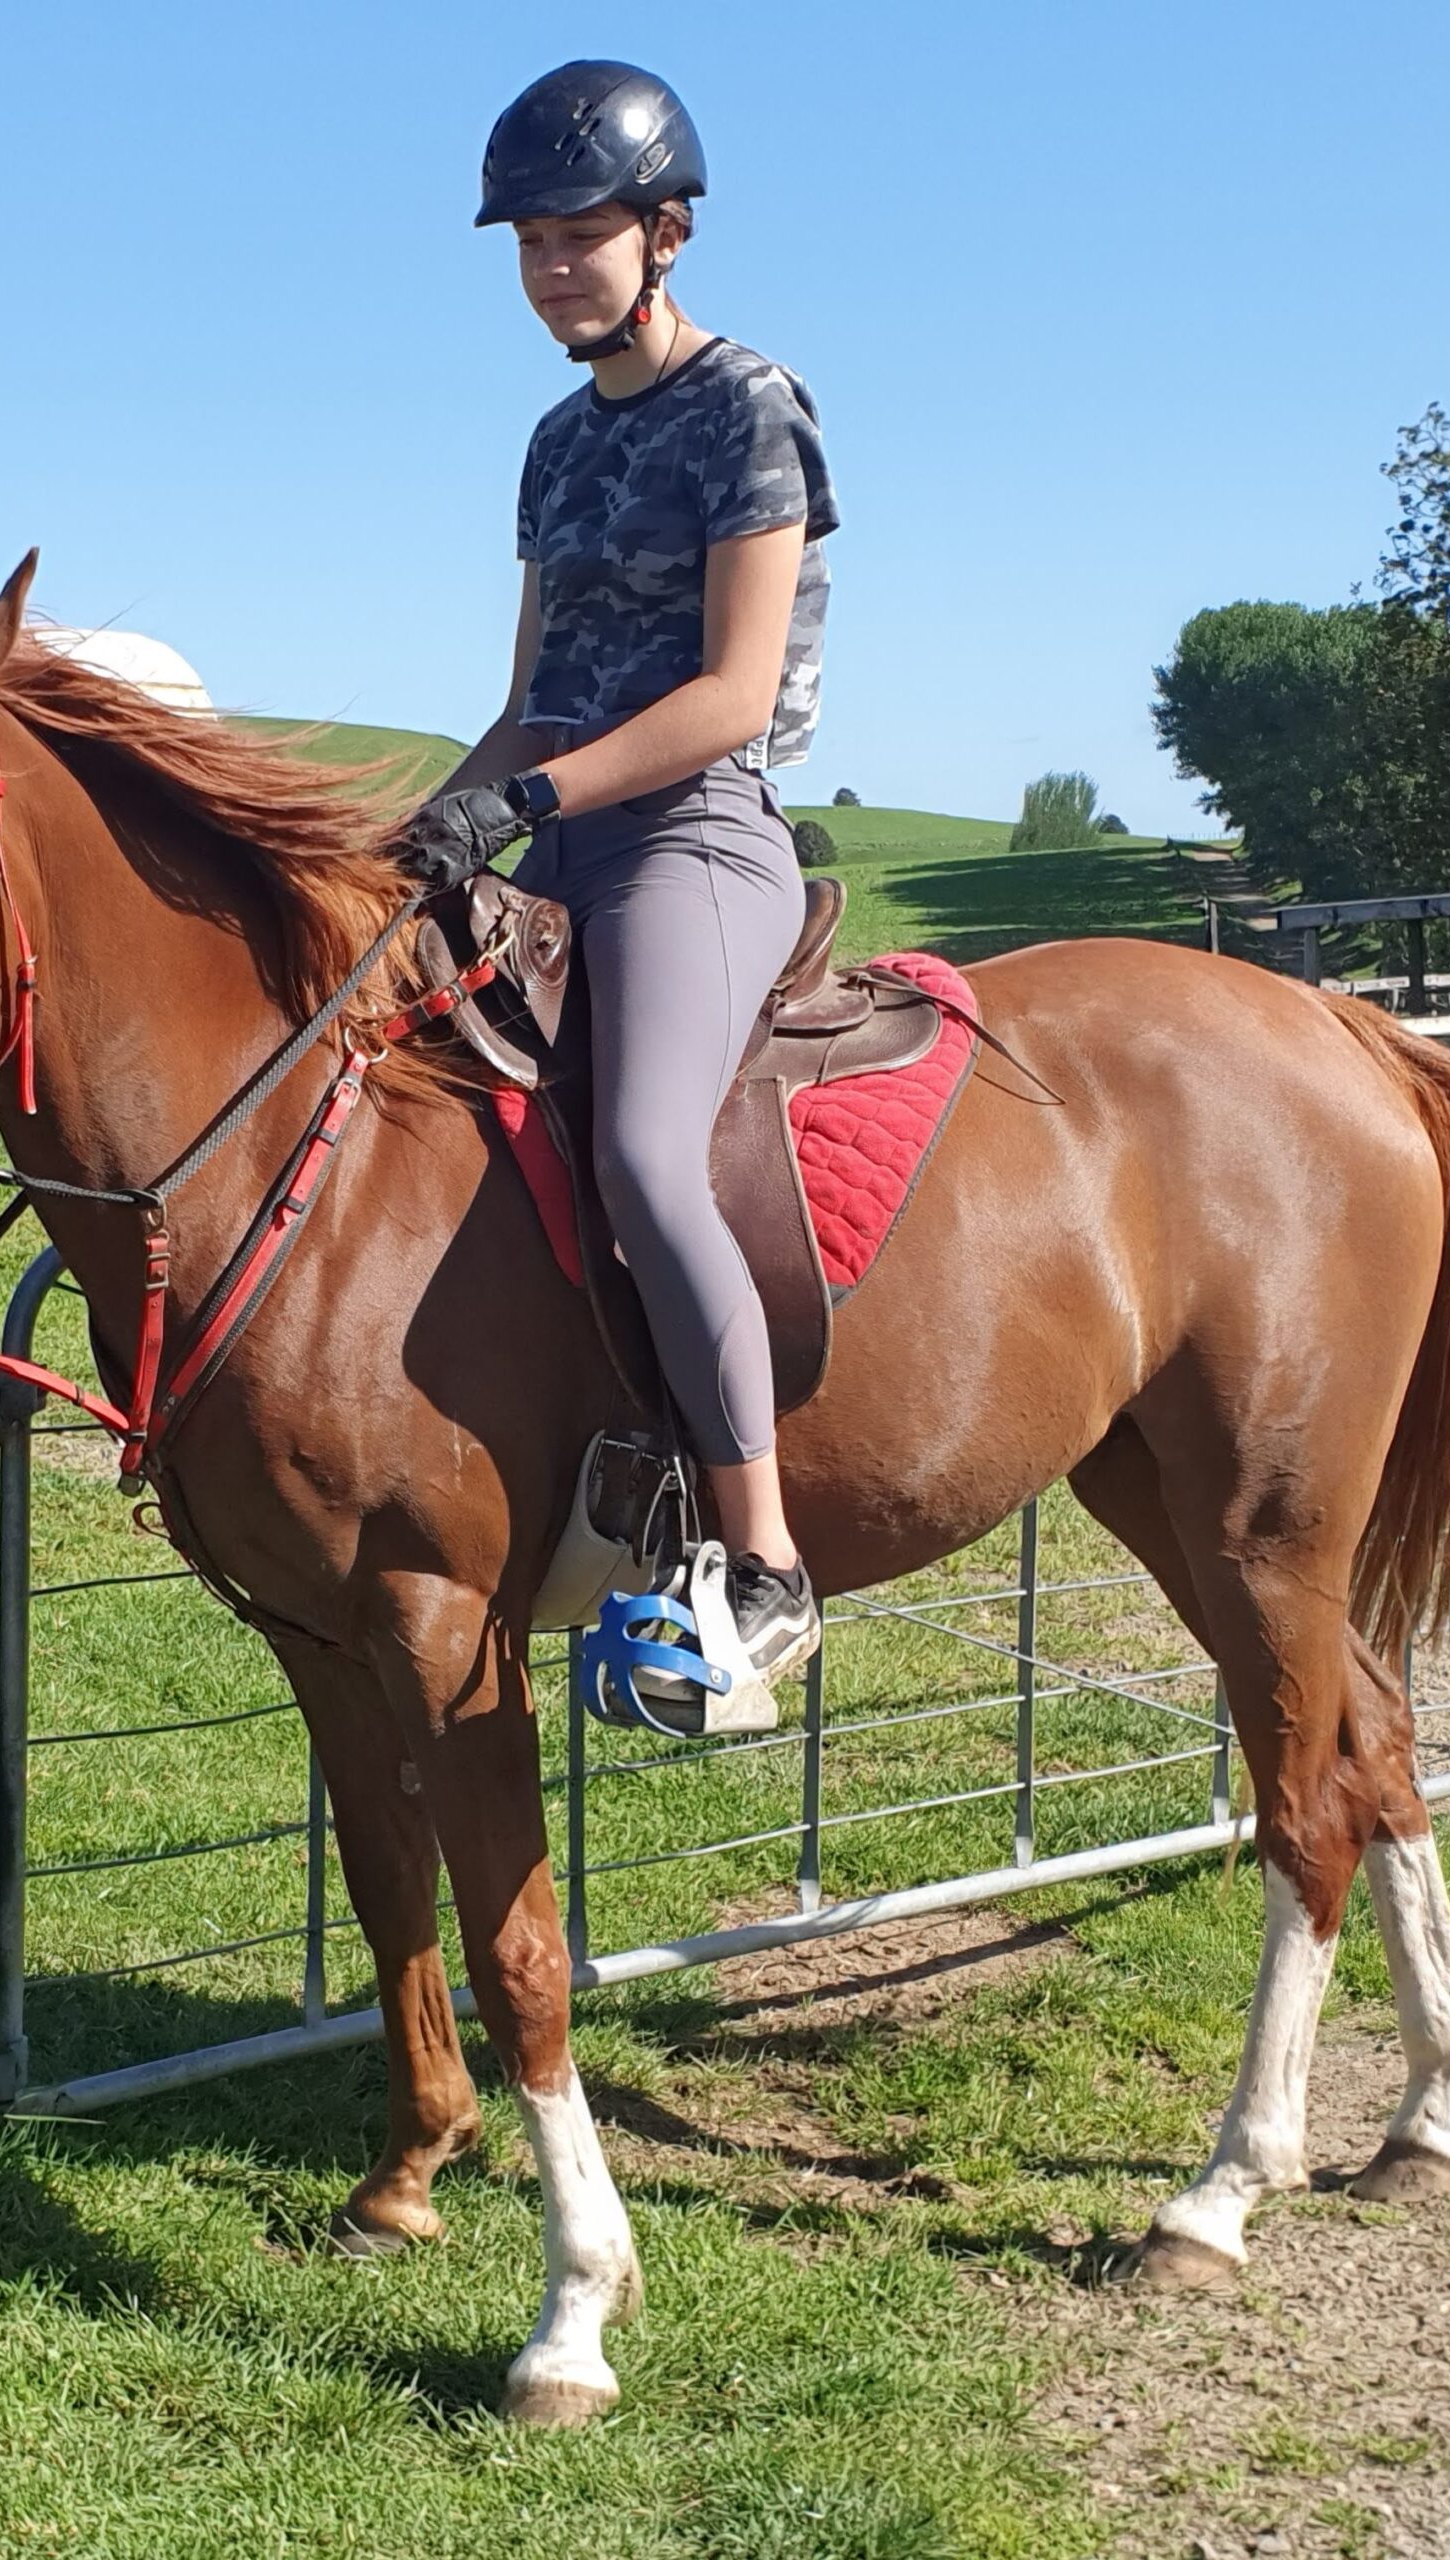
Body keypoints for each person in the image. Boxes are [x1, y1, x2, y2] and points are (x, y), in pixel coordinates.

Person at [396, 60, 837, 1684]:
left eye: (581, 236)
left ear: (665, 234)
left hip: (695, 834)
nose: (551, 270)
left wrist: (534, 799)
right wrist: (420, 829)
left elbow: (729, 691)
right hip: (554, 824)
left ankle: (766, 1567)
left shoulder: (750, 406)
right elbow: (526, 695)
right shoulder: (551, 446)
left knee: (649, 1156)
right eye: (528, 243)